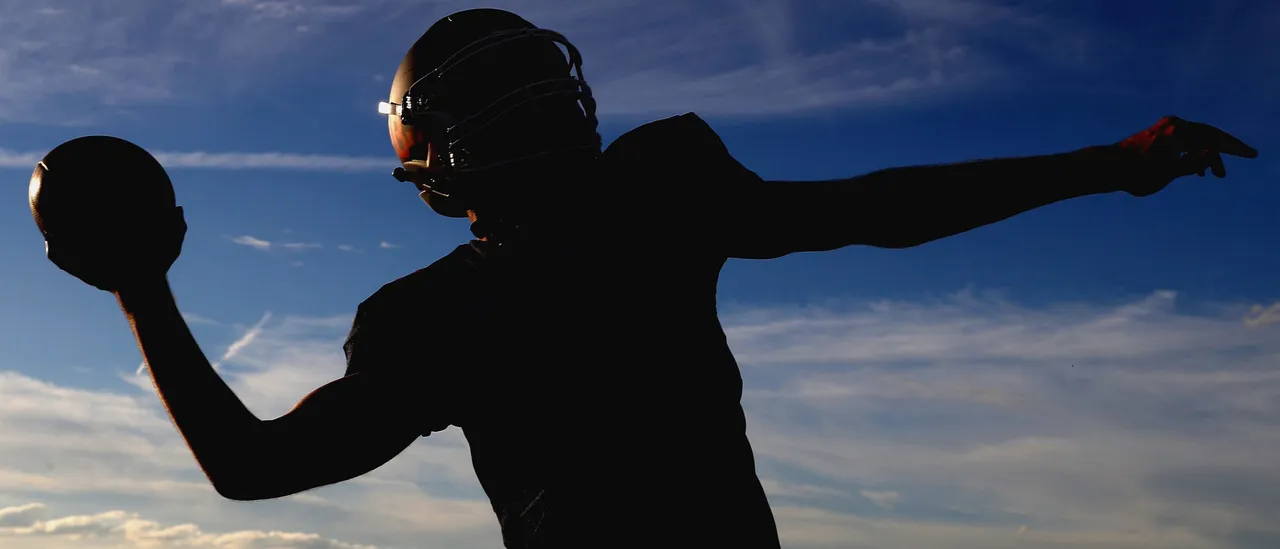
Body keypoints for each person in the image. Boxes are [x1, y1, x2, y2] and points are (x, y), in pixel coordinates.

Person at [51, 7, 1258, 549]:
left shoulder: (447, 311)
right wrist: (1108, 165)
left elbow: (255, 469)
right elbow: (879, 208)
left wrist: (141, 287)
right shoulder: (647, 205)